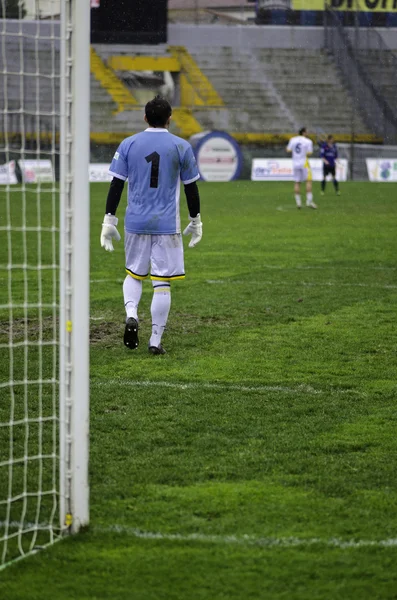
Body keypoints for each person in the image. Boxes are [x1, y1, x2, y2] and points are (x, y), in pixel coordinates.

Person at [100, 95, 202, 355]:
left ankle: (131, 313)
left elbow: (116, 184)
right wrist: (195, 220)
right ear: (170, 119)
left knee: (134, 273)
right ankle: (155, 340)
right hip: (167, 223)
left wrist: (108, 219)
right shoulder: (181, 146)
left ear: (145, 118)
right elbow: (191, 188)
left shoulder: (129, 143)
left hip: (135, 221)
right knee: (162, 282)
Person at [286, 127, 317, 209]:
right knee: (308, 181)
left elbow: (288, 150)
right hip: (304, 163)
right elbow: (309, 153)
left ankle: (298, 203)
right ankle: (309, 201)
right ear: (304, 133)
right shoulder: (308, 141)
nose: (307, 134)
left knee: (297, 182)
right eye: (307, 132)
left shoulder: (293, 139)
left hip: (295, 163)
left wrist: (296, 153)